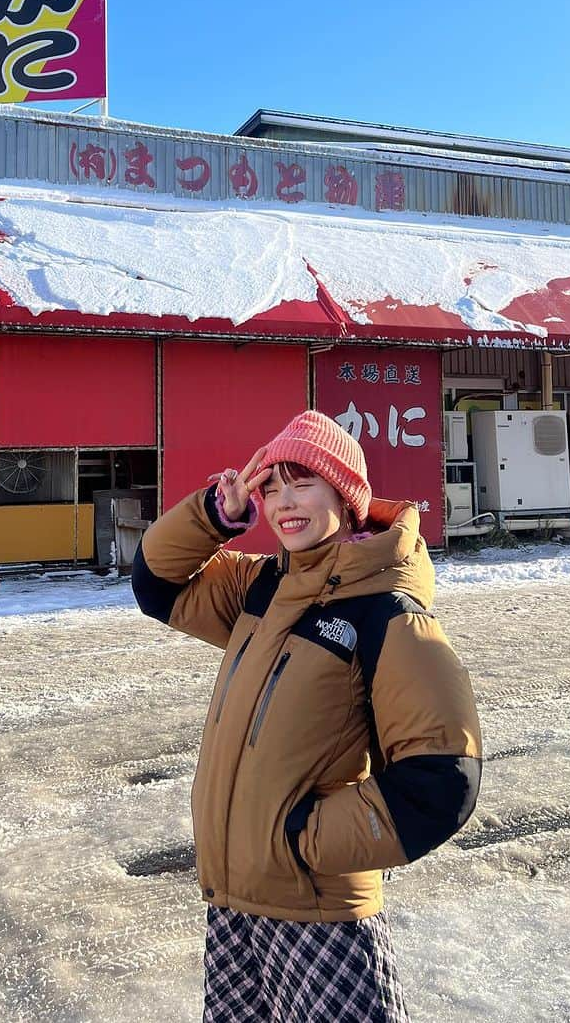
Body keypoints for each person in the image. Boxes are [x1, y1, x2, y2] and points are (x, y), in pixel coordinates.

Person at [132, 409, 481, 1023]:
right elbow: (156, 584)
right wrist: (217, 514)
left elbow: (442, 777)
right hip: (235, 903)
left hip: (318, 915)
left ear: (345, 496)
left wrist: (300, 840)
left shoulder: (386, 611)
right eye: (271, 487)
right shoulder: (264, 587)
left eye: (303, 483)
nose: (283, 502)